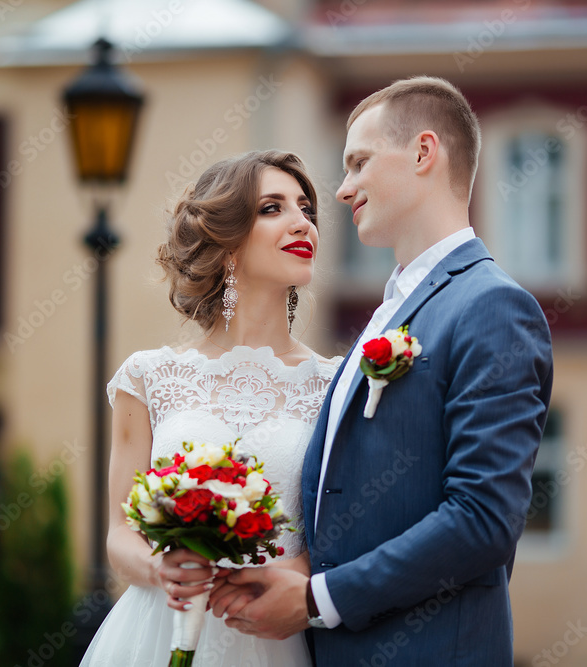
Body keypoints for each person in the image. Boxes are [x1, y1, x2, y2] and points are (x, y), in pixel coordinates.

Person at [209, 76, 554, 664]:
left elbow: (482, 520)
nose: (342, 191)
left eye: (359, 163)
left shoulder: (492, 307)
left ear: (423, 153)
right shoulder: (389, 313)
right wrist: (294, 570)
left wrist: (318, 598)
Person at [79, 150, 340, 666]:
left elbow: (345, 532)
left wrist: (298, 574)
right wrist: (164, 570)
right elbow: (120, 536)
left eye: (306, 208)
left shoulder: (334, 386)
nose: (301, 222)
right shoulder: (148, 378)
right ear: (227, 246)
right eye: (273, 208)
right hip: (155, 631)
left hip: (274, 639)